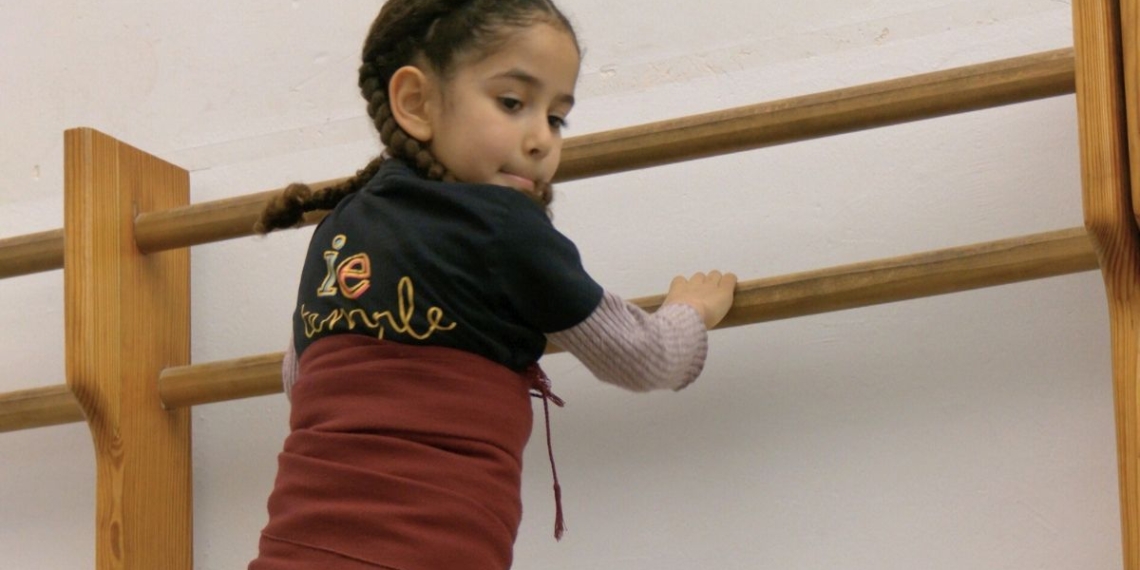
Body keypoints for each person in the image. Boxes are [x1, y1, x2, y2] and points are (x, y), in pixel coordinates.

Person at [248, 1, 737, 568]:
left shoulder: (338, 229)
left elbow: (301, 381)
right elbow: (644, 358)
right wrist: (690, 311)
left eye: (556, 118)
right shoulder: (505, 228)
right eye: (511, 103)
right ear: (416, 103)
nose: (542, 139)